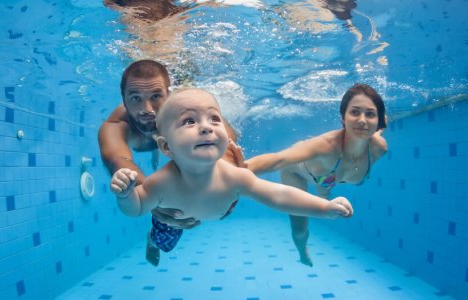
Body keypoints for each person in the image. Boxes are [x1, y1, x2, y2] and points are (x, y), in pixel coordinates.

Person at [110, 88, 354, 257]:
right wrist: (126, 195)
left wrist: (324, 207)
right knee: (165, 241)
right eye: (189, 121)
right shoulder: (161, 183)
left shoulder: (234, 176)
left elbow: (279, 195)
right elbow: (137, 208)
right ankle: (151, 242)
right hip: (174, 220)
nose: (206, 127)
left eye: (214, 119)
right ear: (165, 146)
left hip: (206, 211)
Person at [98, 60, 244, 266]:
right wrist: (153, 198)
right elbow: (118, 159)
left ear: (169, 94)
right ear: (123, 99)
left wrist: (228, 185)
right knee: (167, 232)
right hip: (166, 148)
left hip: (179, 153)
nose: (146, 109)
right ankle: (153, 241)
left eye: (156, 96)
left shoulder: (187, 111)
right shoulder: (116, 125)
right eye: (135, 98)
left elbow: (225, 142)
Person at [244, 83, 388, 266]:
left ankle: (324, 191)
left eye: (370, 114)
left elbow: (379, 127)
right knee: (299, 227)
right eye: (355, 112)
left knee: (327, 181)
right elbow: (278, 160)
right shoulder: (326, 146)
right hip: (297, 171)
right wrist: (235, 170)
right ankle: (302, 251)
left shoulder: (378, 148)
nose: (362, 120)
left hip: (328, 174)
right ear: (343, 117)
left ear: (378, 120)